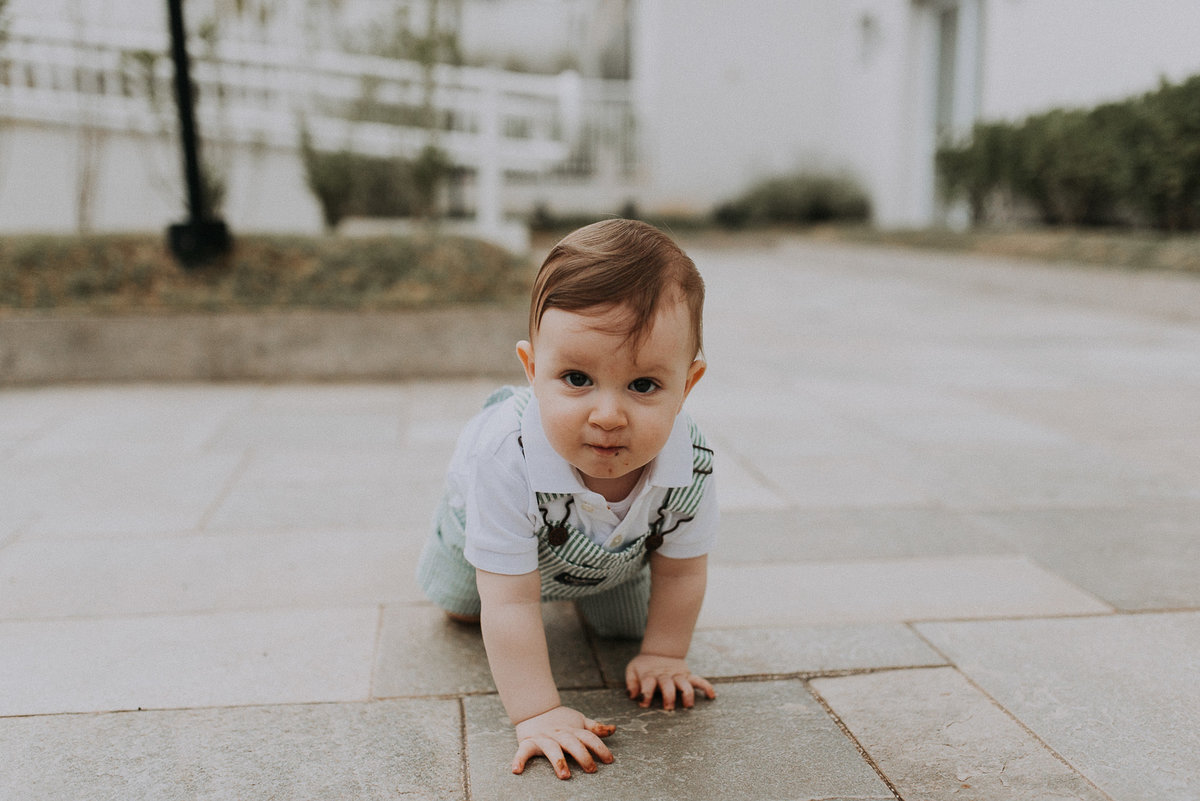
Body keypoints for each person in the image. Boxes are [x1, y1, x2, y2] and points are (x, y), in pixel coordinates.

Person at [416, 218, 718, 780]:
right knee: (467, 609)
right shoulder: (506, 453)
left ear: (687, 385)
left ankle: (593, 596)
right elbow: (507, 601)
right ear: (533, 371)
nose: (607, 415)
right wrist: (537, 712)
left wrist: (664, 654)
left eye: (644, 386)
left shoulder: (691, 458)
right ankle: (471, 575)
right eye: (576, 378)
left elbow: (680, 573)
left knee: (629, 632)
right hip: (481, 536)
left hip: (613, 553)